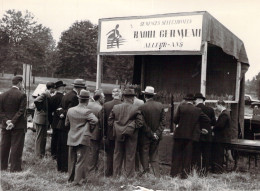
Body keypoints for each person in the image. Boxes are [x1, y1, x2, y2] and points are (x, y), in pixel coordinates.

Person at [170, 93, 210, 179]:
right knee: (187, 157)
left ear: (186, 100)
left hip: (179, 135)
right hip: (190, 136)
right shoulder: (198, 110)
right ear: (193, 101)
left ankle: (174, 174)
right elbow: (207, 119)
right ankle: (184, 175)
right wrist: (198, 127)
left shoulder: (181, 107)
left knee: (177, 155)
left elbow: (175, 120)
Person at [108, 88, 143, 177]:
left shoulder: (116, 107)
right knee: (130, 156)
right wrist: (131, 127)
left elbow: (110, 122)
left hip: (118, 135)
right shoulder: (136, 108)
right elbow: (140, 123)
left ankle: (116, 176)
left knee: (117, 155)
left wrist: (117, 127)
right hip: (131, 136)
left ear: (123, 97)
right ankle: (129, 176)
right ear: (132, 98)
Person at [65, 89, 98, 185]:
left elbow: (66, 123)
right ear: (87, 101)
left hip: (71, 137)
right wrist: (89, 128)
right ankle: (77, 181)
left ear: (79, 99)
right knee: (81, 160)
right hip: (83, 138)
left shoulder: (70, 110)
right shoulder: (87, 111)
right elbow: (95, 120)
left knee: (72, 160)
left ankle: (70, 179)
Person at [56, 79, 86, 172]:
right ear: (80, 88)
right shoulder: (75, 97)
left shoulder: (67, 95)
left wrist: (61, 113)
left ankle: (60, 167)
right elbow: (71, 111)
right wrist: (64, 114)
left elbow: (59, 108)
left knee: (61, 147)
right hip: (68, 125)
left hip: (60, 124)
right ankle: (65, 168)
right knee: (66, 147)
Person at [0, 76, 27, 172]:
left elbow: (1, 111)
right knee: (16, 146)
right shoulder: (22, 95)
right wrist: (12, 122)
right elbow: (21, 111)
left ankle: (2, 166)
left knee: (4, 145)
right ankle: (14, 168)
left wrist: (7, 121)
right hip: (18, 125)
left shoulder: (3, 95)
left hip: (5, 125)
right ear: (20, 83)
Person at [138, 86, 166, 177]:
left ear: (145, 95)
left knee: (144, 154)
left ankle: (147, 174)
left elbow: (142, 123)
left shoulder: (142, 107)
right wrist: (157, 133)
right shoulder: (160, 106)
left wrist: (150, 133)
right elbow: (163, 122)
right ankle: (156, 175)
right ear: (153, 95)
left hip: (145, 136)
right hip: (156, 137)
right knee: (154, 155)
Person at [192, 93, 216, 174]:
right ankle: (205, 172)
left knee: (197, 154)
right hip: (208, 135)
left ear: (197, 100)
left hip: (197, 136)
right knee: (206, 155)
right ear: (202, 100)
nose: (194, 101)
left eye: (194, 100)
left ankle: (198, 171)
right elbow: (213, 123)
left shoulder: (194, 109)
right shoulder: (210, 109)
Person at [103, 88, 122, 177]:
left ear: (112, 95)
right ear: (120, 94)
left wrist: (104, 134)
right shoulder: (123, 105)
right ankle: (117, 173)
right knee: (119, 153)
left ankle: (108, 173)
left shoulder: (106, 105)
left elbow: (103, 121)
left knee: (109, 154)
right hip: (121, 133)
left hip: (109, 133)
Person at [33, 82, 55, 158]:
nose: (54, 90)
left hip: (43, 119)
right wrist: (41, 110)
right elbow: (36, 101)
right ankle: (38, 154)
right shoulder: (45, 94)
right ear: (51, 88)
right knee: (39, 137)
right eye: (53, 89)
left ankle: (41, 153)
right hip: (41, 119)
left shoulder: (46, 94)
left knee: (43, 138)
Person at [86, 89, 105, 173]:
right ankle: (91, 169)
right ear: (100, 98)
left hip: (85, 132)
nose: (105, 99)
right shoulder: (100, 108)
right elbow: (102, 123)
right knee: (93, 152)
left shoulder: (88, 105)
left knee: (86, 152)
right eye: (104, 97)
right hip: (95, 133)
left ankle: (86, 167)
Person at [212, 100, 231, 173]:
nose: (216, 108)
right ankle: (219, 169)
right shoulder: (226, 113)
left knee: (218, 154)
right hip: (223, 137)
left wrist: (213, 128)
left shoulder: (224, 114)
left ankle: (218, 170)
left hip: (221, 137)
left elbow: (220, 125)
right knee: (219, 154)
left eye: (217, 106)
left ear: (220, 105)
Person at [49, 80, 66, 159]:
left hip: (54, 120)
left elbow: (50, 110)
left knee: (54, 137)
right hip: (61, 120)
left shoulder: (53, 98)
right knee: (60, 139)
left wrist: (50, 120)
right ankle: (59, 153)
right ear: (61, 88)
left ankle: (53, 154)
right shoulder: (64, 97)